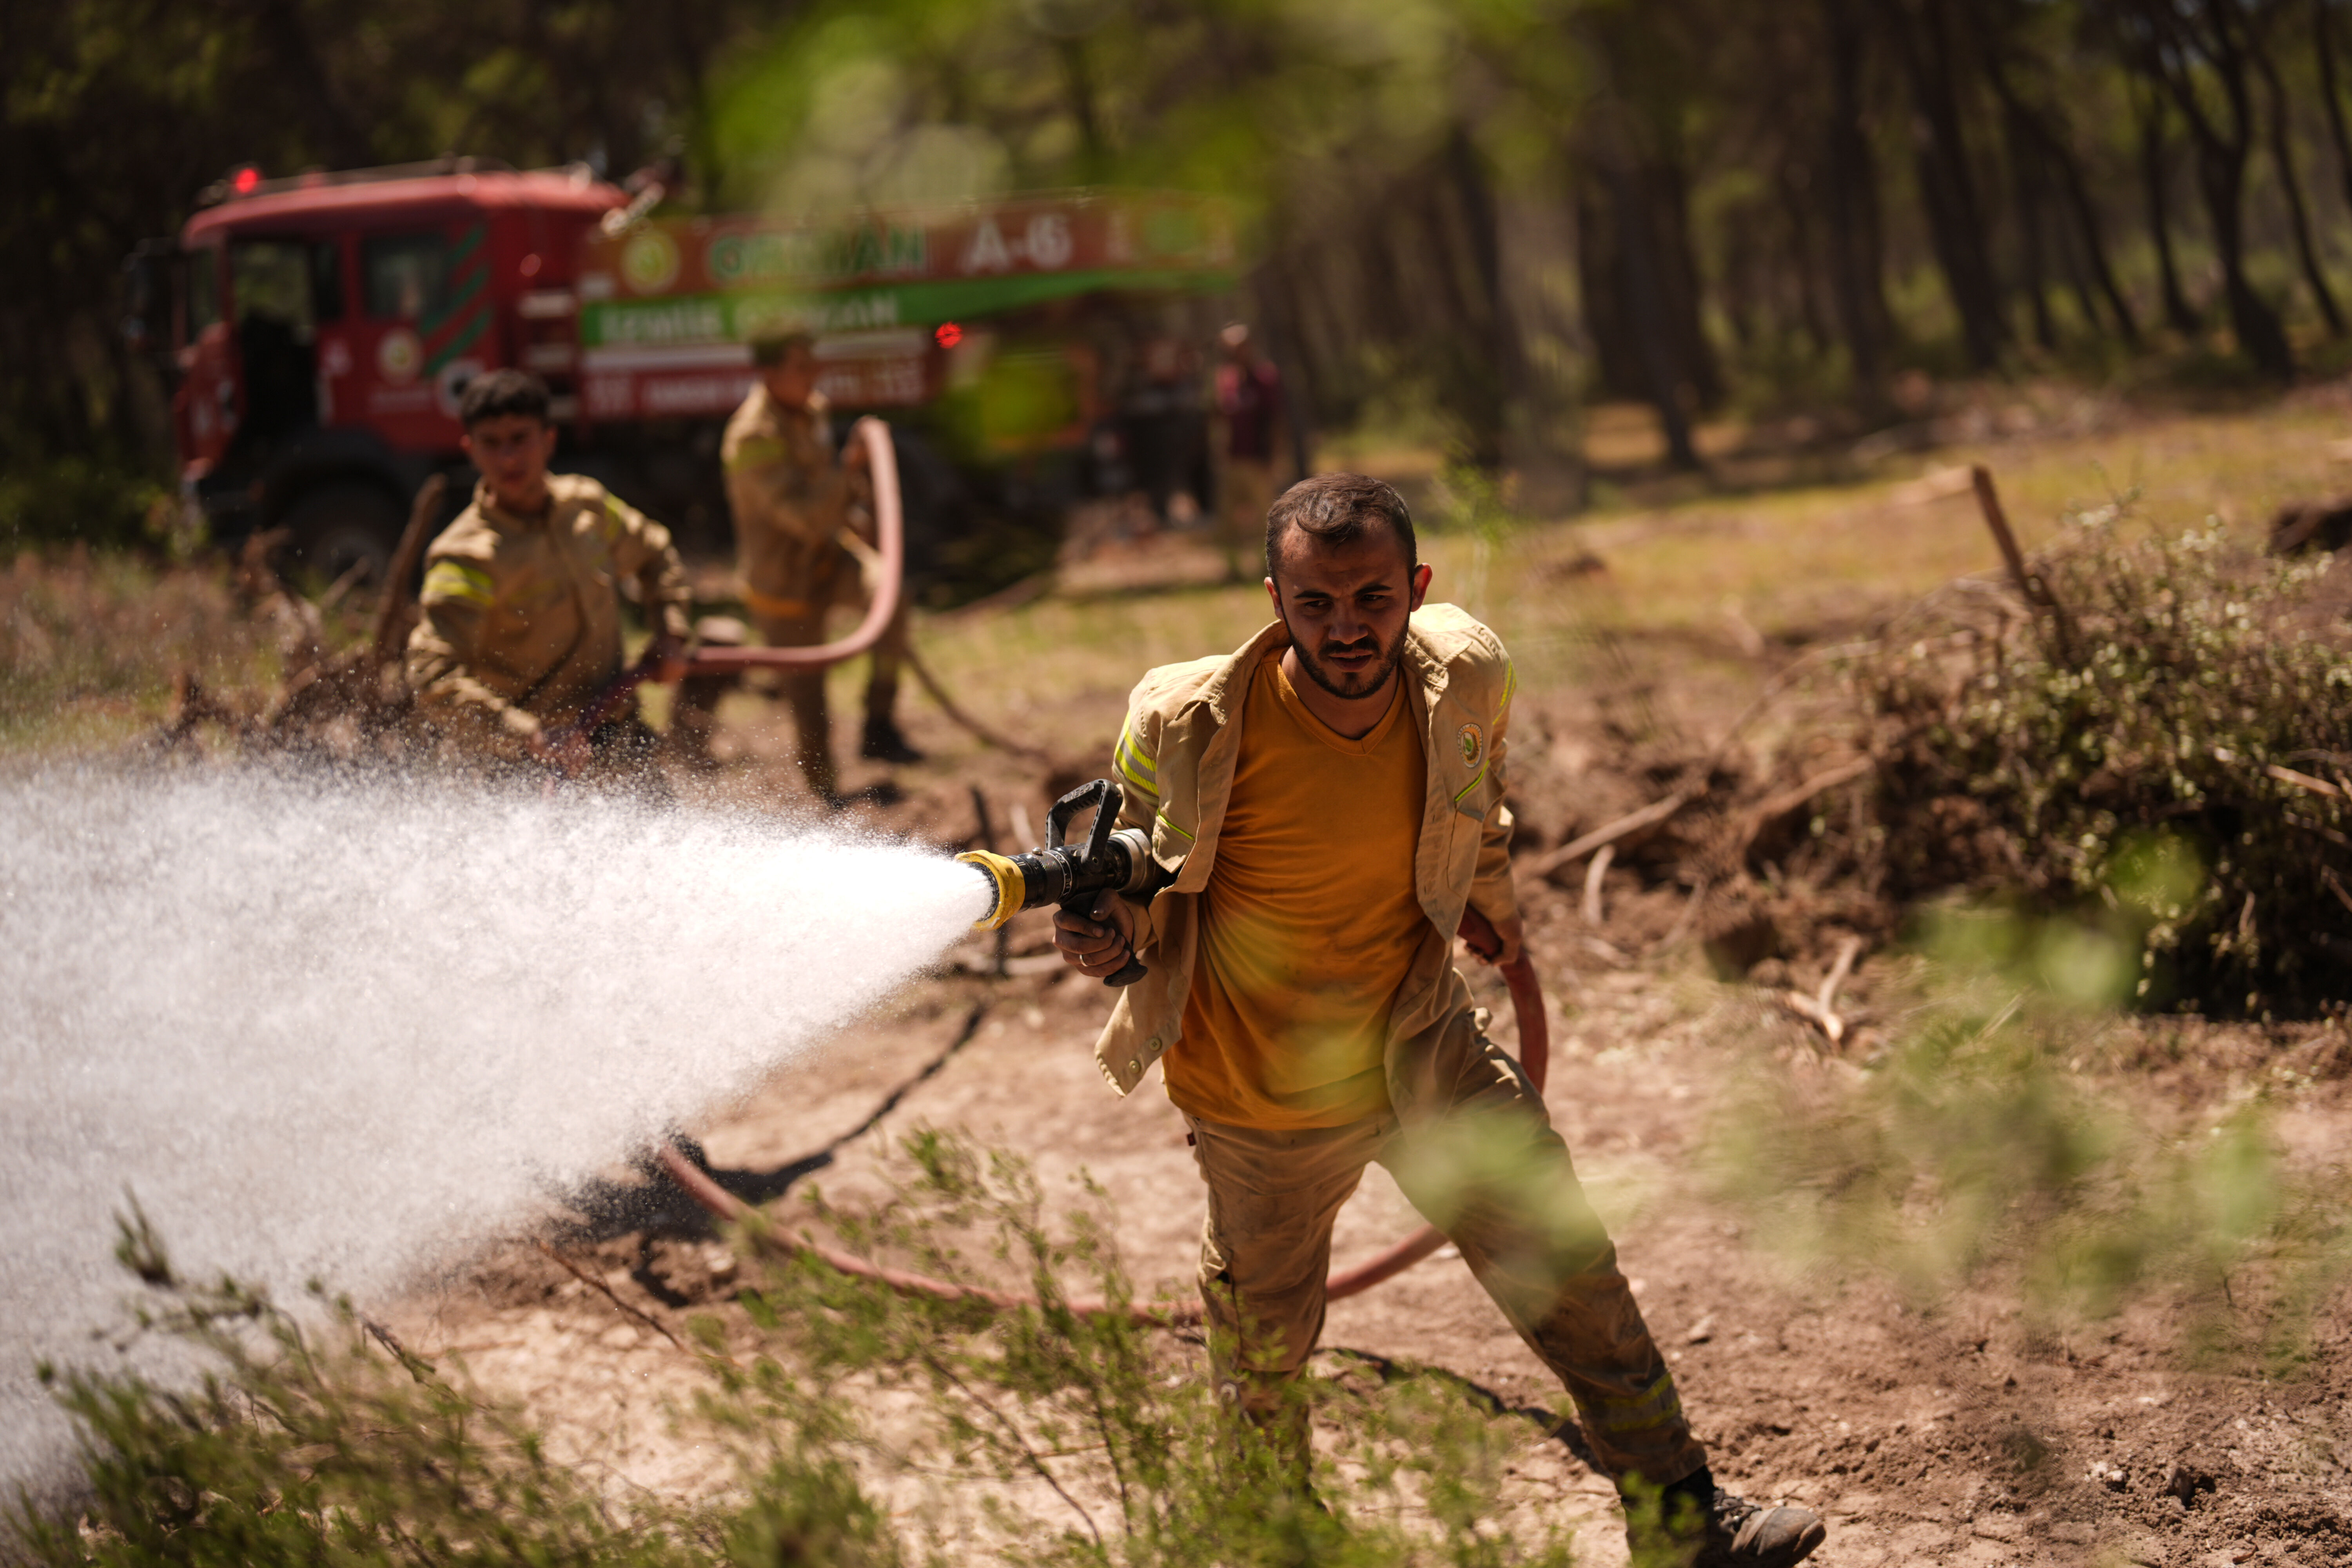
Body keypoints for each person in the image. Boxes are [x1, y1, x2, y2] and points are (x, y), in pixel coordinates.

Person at [1051, 473, 1825, 1568]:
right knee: (1263, 1354)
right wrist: (1102, 936)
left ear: (1416, 589)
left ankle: (1683, 1523)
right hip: (1256, 1085)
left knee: (1566, 1262)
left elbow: (1480, 804)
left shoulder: (1464, 673)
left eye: (1372, 598)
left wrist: (1494, 917)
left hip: (1421, 1042)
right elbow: (1127, 866)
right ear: (1274, 598)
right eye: (1314, 604)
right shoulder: (1185, 720)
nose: (1346, 628)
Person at [407, 369, 690, 776]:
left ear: (549, 439)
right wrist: (528, 734)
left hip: (619, 736)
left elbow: (654, 554)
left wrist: (671, 632)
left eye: (520, 438)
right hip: (521, 768)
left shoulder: (587, 507)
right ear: (470, 449)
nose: (508, 458)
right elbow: (433, 676)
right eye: (491, 443)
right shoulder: (466, 556)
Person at [721, 331, 918, 803]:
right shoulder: (752, 439)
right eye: (801, 367)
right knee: (810, 707)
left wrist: (857, 516)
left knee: (892, 597)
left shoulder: (813, 409)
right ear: (769, 374)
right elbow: (806, 518)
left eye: (814, 363)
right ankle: (826, 800)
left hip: (831, 558)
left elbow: (823, 493)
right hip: (784, 586)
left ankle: (879, 725)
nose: (815, 376)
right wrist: (850, 470)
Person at [1213, 322, 1286, 583]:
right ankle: (1232, 567)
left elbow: (1276, 419)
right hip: (1233, 458)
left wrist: (1275, 457)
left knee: (1264, 516)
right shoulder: (1226, 379)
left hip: (1259, 459)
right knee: (1229, 517)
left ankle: (1265, 567)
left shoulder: (1265, 377)